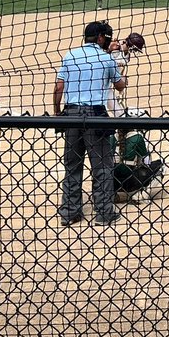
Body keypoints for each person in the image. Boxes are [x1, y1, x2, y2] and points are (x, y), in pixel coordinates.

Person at [53, 21, 126, 226]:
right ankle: (103, 213)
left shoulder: (70, 56)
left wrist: (58, 112)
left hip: (72, 116)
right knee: (102, 167)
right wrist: (121, 68)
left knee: (72, 166)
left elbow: (58, 88)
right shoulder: (106, 59)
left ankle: (69, 213)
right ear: (101, 38)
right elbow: (120, 86)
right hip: (95, 116)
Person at [112, 125, 164, 201]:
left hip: (112, 181)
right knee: (162, 165)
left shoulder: (111, 137)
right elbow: (146, 162)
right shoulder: (137, 137)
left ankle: (112, 195)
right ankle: (142, 194)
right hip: (131, 182)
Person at [106, 31, 146, 115]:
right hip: (99, 84)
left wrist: (121, 80)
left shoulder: (126, 55)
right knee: (118, 113)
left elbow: (120, 70)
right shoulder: (114, 47)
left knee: (119, 112)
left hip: (107, 85)